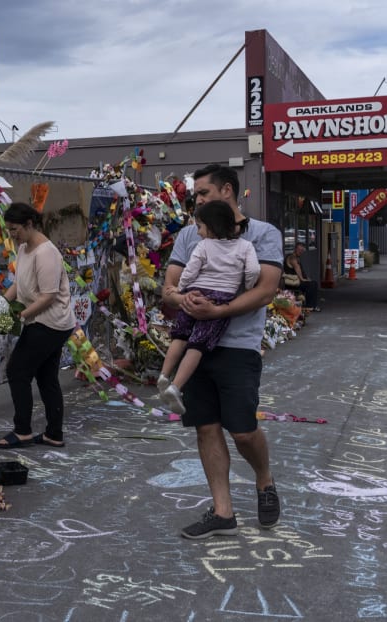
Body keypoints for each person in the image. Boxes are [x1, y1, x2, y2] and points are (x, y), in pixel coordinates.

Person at [161, 164, 282, 539]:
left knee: (243, 431)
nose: (196, 200)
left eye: (202, 194)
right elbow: (169, 287)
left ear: (226, 191)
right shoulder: (188, 236)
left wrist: (219, 311)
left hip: (237, 346)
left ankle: (264, 479)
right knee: (206, 427)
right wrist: (185, 299)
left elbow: (265, 289)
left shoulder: (262, 234)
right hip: (196, 343)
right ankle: (223, 512)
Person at [158, 200, 261, 416]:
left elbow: (190, 270)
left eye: (200, 227)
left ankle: (164, 375)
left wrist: (181, 291)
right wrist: (248, 286)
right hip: (217, 301)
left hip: (194, 294)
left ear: (212, 227)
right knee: (197, 345)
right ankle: (175, 387)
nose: (198, 232)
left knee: (180, 336)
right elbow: (253, 270)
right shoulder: (245, 246)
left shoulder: (203, 246)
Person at [0, 202, 76, 449]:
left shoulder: (46, 253)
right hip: (40, 320)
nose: (12, 234)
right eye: (8, 230)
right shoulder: (24, 248)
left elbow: (48, 296)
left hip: (50, 323)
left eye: (15, 229)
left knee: (17, 371)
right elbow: (19, 284)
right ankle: (54, 433)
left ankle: (22, 431)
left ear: (29, 224)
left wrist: (20, 316)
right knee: (46, 377)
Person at [284, 242, 320, 311]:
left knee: (313, 283)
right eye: (299, 250)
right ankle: (309, 306)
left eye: (302, 250)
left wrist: (306, 278)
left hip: (297, 281)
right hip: (292, 282)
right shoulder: (292, 257)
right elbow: (297, 267)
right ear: (295, 249)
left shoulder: (297, 258)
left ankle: (312, 305)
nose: (300, 252)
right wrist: (302, 279)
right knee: (312, 285)